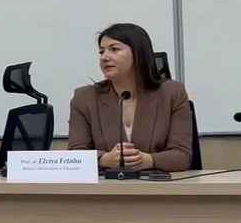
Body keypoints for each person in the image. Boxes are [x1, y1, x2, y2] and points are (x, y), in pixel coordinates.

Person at [67, 23, 193, 172]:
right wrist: (104, 159)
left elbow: (182, 155)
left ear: (139, 54)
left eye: (114, 49)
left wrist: (148, 160)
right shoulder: (84, 97)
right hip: (106, 184)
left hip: (158, 184)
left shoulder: (172, 93)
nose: (104, 57)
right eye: (101, 52)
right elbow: (76, 154)